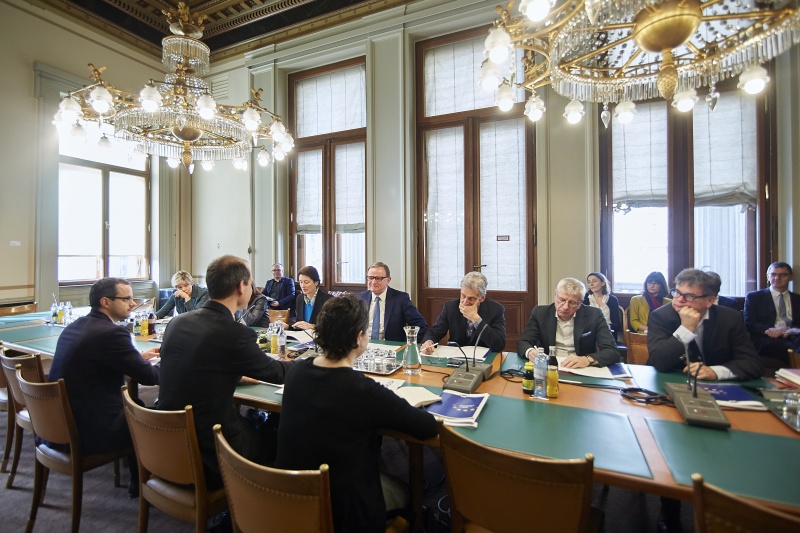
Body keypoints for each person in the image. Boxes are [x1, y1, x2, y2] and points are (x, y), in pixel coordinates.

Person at [276, 294, 438, 532]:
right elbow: (427, 428)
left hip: (289, 496)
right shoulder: (362, 390)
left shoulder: (296, 373)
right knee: (408, 491)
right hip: (345, 511)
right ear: (358, 338)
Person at [157, 255, 291, 489]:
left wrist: (233, 374)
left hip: (168, 444)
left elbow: (198, 366)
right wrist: (317, 363)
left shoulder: (177, 324)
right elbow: (278, 373)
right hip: (212, 450)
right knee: (282, 438)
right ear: (241, 286)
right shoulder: (234, 333)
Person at [48, 277, 160, 497]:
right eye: (126, 298)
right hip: (86, 432)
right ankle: (149, 484)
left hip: (56, 425)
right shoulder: (112, 333)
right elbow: (148, 377)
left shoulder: (77, 325)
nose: (133, 303)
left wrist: (136, 358)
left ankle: (138, 480)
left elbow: (100, 359)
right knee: (149, 415)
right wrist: (175, 363)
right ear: (105, 302)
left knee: (135, 404)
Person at [647, 268, 762, 381]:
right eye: (677, 292)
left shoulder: (730, 319)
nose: (679, 299)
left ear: (709, 301)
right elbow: (659, 362)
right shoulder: (660, 316)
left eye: (690, 296)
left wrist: (715, 372)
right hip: (672, 382)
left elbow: (752, 364)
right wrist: (685, 329)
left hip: (718, 388)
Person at [517, 277, 620, 367]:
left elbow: (612, 351)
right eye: (562, 300)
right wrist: (530, 352)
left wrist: (587, 359)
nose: (565, 307)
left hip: (581, 369)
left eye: (572, 303)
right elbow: (524, 342)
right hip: (549, 367)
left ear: (580, 303)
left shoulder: (594, 315)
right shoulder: (540, 313)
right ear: (555, 295)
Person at [420, 272, 506, 354]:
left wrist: (476, 320)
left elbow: (499, 344)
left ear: (482, 298)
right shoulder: (451, 307)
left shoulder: (496, 309)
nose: (464, 302)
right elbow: (435, 332)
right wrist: (429, 342)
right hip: (456, 356)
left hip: (484, 358)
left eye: (471, 299)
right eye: (463, 296)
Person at [743, 262, 800, 366]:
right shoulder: (755, 297)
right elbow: (749, 323)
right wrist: (772, 331)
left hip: (793, 335)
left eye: (783, 275)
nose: (777, 278)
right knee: (790, 347)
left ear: (790, 277)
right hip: (767, 338)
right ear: (768, 276)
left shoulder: (797, 299)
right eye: (773, 274)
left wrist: (789, 330)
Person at [356, 261, 428, 342]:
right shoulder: (360, 298)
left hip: (391, 348)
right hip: (364, 346)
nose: (373, 282)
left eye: (378, 278)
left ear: (388, 280)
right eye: (370, 278)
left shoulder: (401, 299)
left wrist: (409, 344)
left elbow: (421, 325)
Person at [583, 272, 622, 341]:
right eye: (589, 282)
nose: (591, 284)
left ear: (603, 283)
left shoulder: (612, 299)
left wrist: (606, 327)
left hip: (607, 332)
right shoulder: (585, 298)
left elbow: (617, 324)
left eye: (594, 281)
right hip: (589, 332)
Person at [292, 265, 333, 330]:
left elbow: (332, 326)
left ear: (316, 282)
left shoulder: (328, 300)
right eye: (301, 282)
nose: (303, 286)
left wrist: (313, 326)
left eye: (306, 282)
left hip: (320, 338)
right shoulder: (299, 298)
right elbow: (299, 324)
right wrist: (288, 326)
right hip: (303, 337)